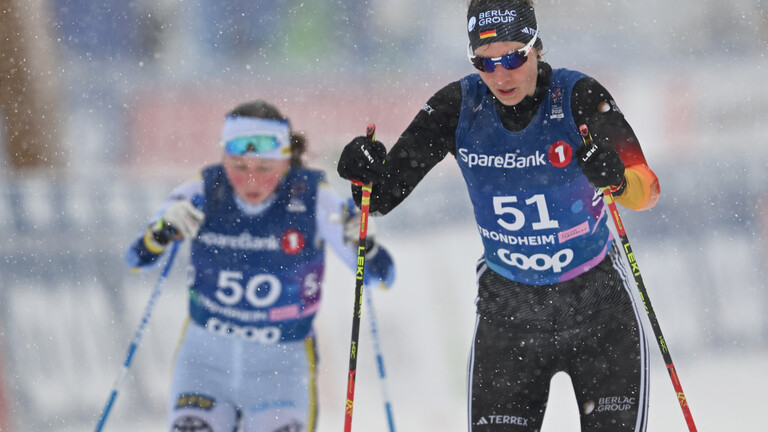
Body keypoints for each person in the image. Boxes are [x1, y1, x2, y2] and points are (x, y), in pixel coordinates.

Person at [336, 0, 660, 431]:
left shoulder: (579, 96)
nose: (501, 75)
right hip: (510, 315)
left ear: (536, 47)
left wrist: (617, 182)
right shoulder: (458, 106)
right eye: (484, 63)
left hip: (597, 307)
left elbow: (647, 189)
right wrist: (362, 171)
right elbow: (378, 196)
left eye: (513, 57)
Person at [126, 100, 395, 432]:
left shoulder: (313, 198)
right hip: (205, 364)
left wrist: (367, 247)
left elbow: (383, 277)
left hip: (281, 370)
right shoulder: (202, 190)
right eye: (238, 166)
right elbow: (136, 259)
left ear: (285, 160)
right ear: (223, 158)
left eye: (265, 169)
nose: (251, 180)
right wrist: (161, 233)